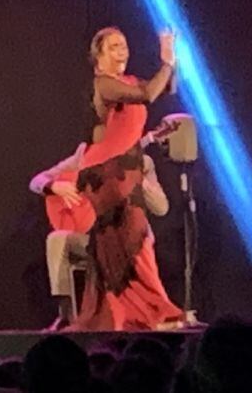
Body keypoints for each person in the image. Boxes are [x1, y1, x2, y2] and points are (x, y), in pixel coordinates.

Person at [68, 26, 183, 330]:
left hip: (126, 172)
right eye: (115, 46)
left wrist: (171, 58)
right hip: (107, 174)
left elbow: (167, 88)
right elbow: (148, 94)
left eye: (125, 45)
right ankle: (154, 311)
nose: (123, 51)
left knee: (128, 241)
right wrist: (166, 63)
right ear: (99, 55)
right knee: (135, 235)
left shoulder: (129, 81)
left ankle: (130, 312)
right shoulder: (104, 84)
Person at [30, 128, 170, 330]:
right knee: (57, 239)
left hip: (129, 243)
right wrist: (53, 186)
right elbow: (37, 180)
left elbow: (162, 208)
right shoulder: (84, 156)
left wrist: (141, 183)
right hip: (95, 238)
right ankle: (66, 313)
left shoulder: (145, 163)